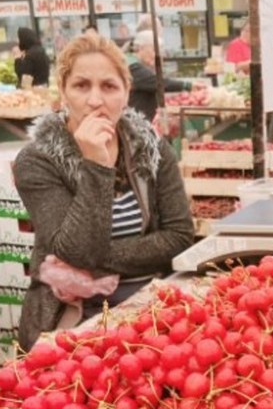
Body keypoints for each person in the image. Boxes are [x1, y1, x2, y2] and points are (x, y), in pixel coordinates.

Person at [12, 33, 194, 350]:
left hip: (148, 306)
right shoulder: (38, 160)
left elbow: (179, 235)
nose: (96, 100)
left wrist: (99, 259)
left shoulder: (152, 149)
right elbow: (74, 251)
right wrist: (97, 165)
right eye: (82, 86)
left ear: (126, 93)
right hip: (74, 314)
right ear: (64, 93)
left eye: (109, 86)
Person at [128, 30, 191, 120]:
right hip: (136, 121)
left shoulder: (140, 65)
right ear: (141, 48)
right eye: (154, 50)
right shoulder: (133, 67)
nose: (157, 54)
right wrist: (188, 85)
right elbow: (158, 82)